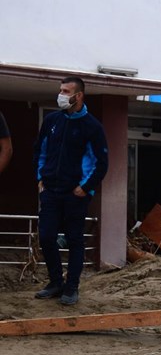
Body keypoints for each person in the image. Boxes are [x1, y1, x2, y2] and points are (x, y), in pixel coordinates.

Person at [33, 77, 108, 306]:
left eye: (66, 91)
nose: (61, 95)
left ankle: (71, 287)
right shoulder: (51, 120)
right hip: (50, 191)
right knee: (46, 237)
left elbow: (101, 163)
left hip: (75, 194)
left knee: (75, 240)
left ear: (79, 95)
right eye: (60, 90)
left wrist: (85, 188)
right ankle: (56, 282)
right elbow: (40, 151)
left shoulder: (92, 127)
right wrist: (40, 179)